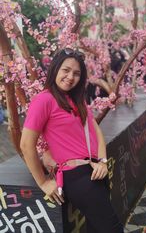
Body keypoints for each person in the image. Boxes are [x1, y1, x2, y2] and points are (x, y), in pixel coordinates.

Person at [20, 48, 124, 233]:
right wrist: (43, 182)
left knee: (95, 228)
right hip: (78, 177)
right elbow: (26, 144)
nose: (70, 77)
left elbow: (96, 131)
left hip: (95, 172)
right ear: (55, 69)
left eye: (76, 73)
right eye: (65, 70)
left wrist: (102, 161)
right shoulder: (43, 100)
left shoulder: (77, 100)